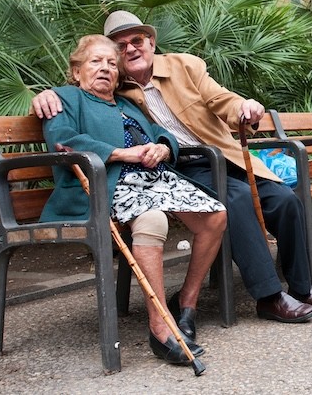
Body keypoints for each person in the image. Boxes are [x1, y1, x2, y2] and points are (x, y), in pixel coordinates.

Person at [33, 11, 312, 326]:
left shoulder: (185, 66)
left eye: (137, 40)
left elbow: (220, 99)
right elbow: (78, 97)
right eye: (120, 46)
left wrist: (243, 107)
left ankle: (301, 286)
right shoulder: (118, 89)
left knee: (285, 200)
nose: (130, 49)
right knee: (238, 199)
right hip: (181, 168)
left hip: (222, 155)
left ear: (151, 42)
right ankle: (268, 296)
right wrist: (44, 95)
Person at [40, 35, 227, 365]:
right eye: (96, 62)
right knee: (153, 219)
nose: (106, 68)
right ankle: (160, 326)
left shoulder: (127, 104)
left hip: (154, 179)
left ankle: (187, 302)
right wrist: (120, 153)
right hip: (106, 184)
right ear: (76, 71)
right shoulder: (65, 98)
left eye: (112, 64)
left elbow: (160, 133)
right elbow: (62, 139)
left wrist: (163, 148)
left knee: (216, 216)